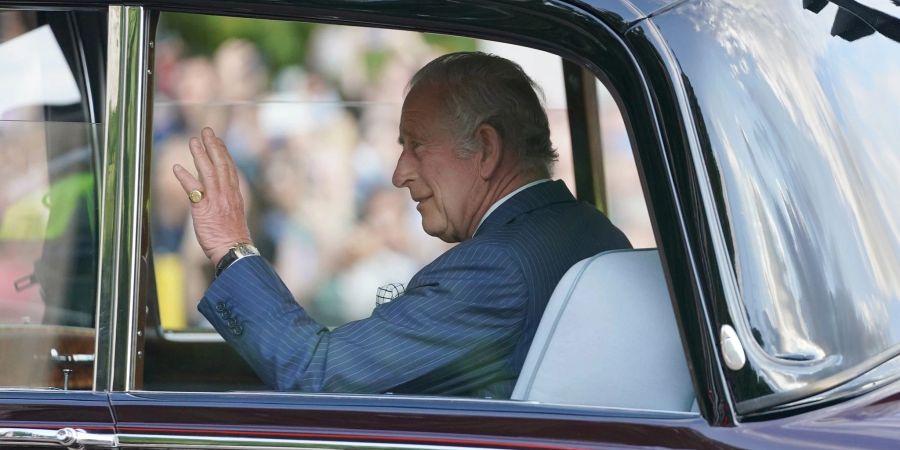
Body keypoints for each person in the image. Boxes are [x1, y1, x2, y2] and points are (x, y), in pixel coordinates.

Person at [173, 52, 631, 398]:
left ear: (486, 150)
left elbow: (315, 372)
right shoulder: (591, 228)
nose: (398, 173)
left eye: (417, 146)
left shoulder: (495, 270)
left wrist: (232, 246)